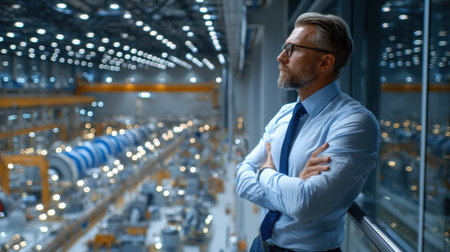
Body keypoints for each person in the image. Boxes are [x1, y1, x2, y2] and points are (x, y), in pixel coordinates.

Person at [235, 12, 380, 252]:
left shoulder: (355, 123)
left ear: (324, 63)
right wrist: (293, 185)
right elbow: (241, 178)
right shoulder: (285, 113)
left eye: (292, 49)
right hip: (260, 246)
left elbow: (305, 204)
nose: (280, 57)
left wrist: (266, 172)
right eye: (284, 47)